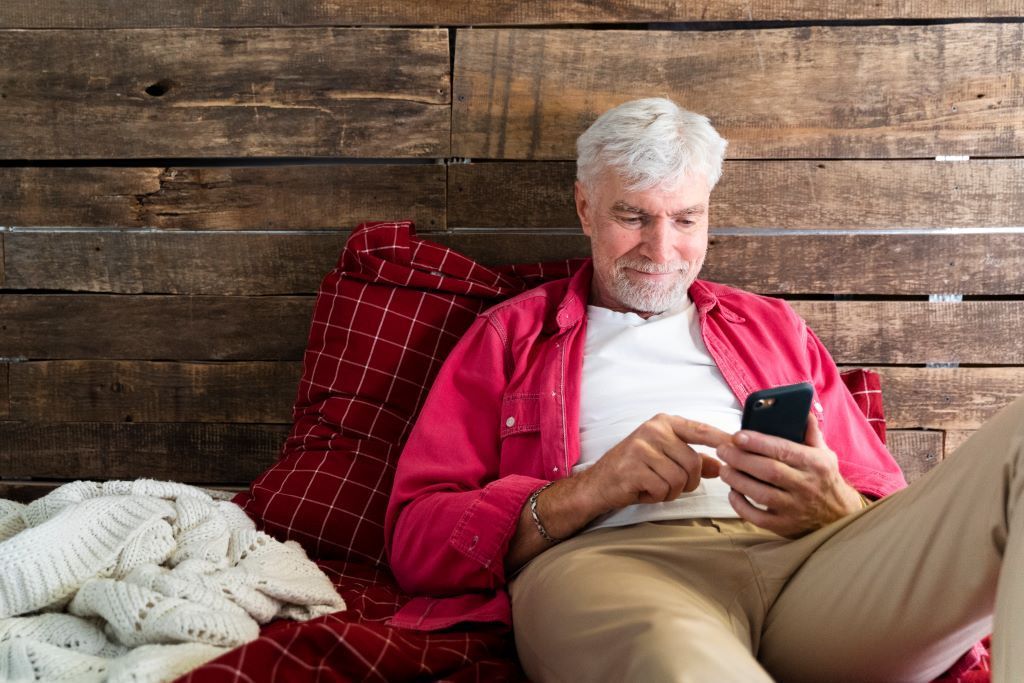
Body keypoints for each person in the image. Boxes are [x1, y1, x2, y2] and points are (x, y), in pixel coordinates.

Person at [384, 97, 1022, 682]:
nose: (662, 249)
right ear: (584, 206)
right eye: (632, 216)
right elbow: (415, 541)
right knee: (681, 663)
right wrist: (590, 489)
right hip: (618, 569)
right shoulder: (510, 335)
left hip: (813, 572)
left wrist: (841, 510)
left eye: (686, 218)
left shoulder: (773, 326)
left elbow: (890, 509)